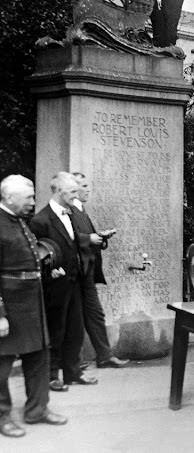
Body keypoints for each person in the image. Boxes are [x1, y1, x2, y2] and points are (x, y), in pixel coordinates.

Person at [0, 175, 67, 438]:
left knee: (39, 358)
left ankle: (37, 410)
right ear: (9, 198)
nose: (32, 201)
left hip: (31, 304)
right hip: (9, 309)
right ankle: (2, 416)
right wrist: (0, 315)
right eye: (27, 197)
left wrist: (47, 273)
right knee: (2, 365)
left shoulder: (19, 221)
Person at [30, 172, 98, 391]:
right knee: (55, 331)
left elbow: (75, 244)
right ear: (59, 192)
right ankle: (51, 376)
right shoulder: (40, 220)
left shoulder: (70, 214)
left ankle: (73, 372)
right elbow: (36, 256)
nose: (76, 195)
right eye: (72, 191)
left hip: (74, 282)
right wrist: (50, 272)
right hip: (54, 288)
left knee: (75, 330)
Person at [71, 173, 128, 369]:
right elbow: (67, 238)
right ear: (73, 188)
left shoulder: (80, 210)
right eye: (83, 185)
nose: (88, 189)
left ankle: (104, 356)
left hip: (86, 271)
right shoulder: (68, 211)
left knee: (95, 315)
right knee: (75, 317)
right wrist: (89, 239)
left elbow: (83, 236)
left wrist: (100, 237)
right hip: (76, 272)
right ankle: (74, 362)